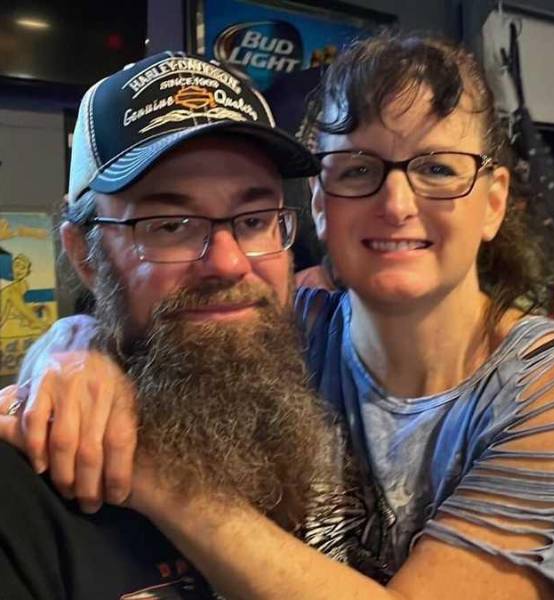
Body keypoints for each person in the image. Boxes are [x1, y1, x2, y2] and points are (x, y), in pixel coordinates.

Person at [3, 30, 554, 600]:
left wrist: (163, 479)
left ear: (494, 203)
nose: (397, 205)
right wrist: (74, 345)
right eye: (359, 170)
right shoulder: (284, 332)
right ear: (319, 205)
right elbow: (157, 329)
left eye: (438, 168)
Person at [0, 50, 340, 599]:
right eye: (170, 225)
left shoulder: (333, 390)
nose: (228, 262)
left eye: (254, 220)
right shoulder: (20, 492)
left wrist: (71, 339)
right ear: (85, 255)